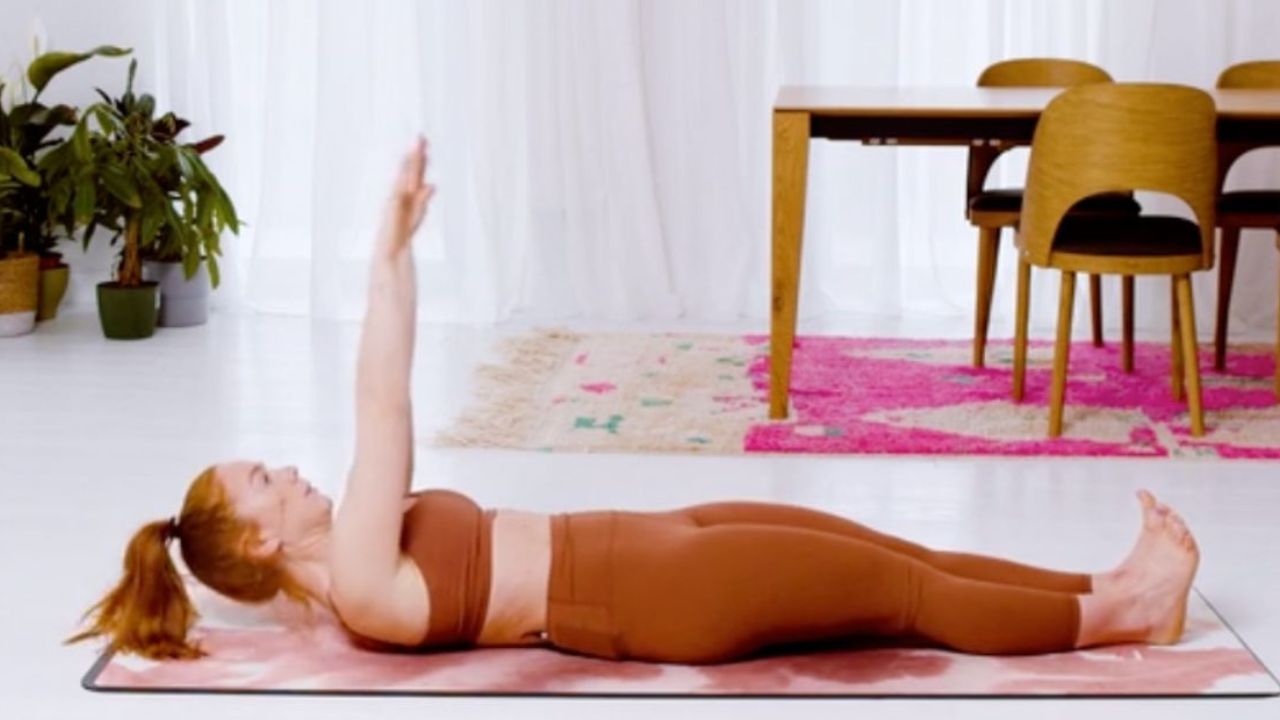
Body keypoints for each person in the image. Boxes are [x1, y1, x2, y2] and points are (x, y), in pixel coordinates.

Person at [69, 138, 1201, 665]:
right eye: (265, 480)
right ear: (262, 538)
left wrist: (211, 601)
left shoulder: (322, 596)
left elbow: (323, 514)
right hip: (658, 592)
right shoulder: (358, 571)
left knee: (895, 552)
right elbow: (383, 408)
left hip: (651, 541)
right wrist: (386, 252)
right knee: (903, 596)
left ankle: (1097, 585)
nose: (288, 469)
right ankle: (1117, 620)